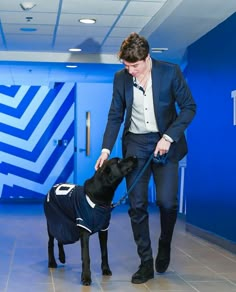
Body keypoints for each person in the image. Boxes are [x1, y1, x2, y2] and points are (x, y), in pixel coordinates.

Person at [95, 32, 196, 284]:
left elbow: (189, 107)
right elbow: (115, 115)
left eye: (135, 66)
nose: (130, 71)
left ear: (147, 58)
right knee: (136, 206)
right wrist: (106, 149)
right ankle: (145, 262)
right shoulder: (120, 79)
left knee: (167, 203)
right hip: (136, 144)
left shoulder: (170, 72)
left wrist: (169, 137)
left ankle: (164, 243)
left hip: (165, 142)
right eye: (126, 65)